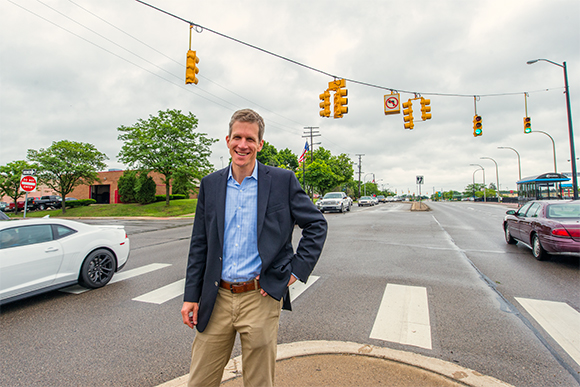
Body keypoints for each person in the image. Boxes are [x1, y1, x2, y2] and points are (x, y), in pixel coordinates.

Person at [181, 108, 327, 387]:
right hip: (217, 297)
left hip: (260, 297)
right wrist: (191, 295)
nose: (242, 145)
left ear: (260, 144)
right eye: (237, 137)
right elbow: (199, 243)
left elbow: (316, 225)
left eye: (250, 139)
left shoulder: (282, 181)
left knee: (259, 382)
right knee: (200, 380)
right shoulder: (210, 184)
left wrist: (296, 271)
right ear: (227, 140)